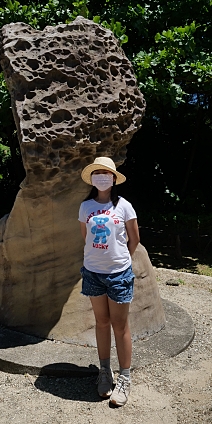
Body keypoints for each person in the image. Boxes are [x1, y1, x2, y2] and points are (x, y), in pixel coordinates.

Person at [78, 156, 140, 407]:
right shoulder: (85, 207)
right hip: (93, 272)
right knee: (101, 322)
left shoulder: (125, 206)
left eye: (107, 173)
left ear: (114, 178)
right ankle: (104, 371)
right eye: (98, 172)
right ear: (92, 178)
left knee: (120, 325)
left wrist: (119, 262)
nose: (102, 176)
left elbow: (134, 240)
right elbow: (86, 239)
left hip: (118, 274)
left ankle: (124, 378)